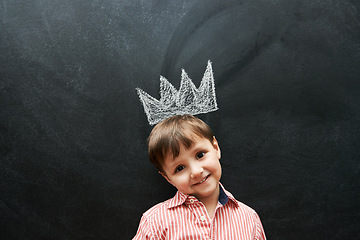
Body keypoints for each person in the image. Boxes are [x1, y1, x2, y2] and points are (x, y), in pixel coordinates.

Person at [133, 114, 266, 239]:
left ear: (215, 148)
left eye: (200, 155)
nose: (196, 172)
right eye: (179, 168)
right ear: (168, 178)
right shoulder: (154, 222)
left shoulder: (249, 218)